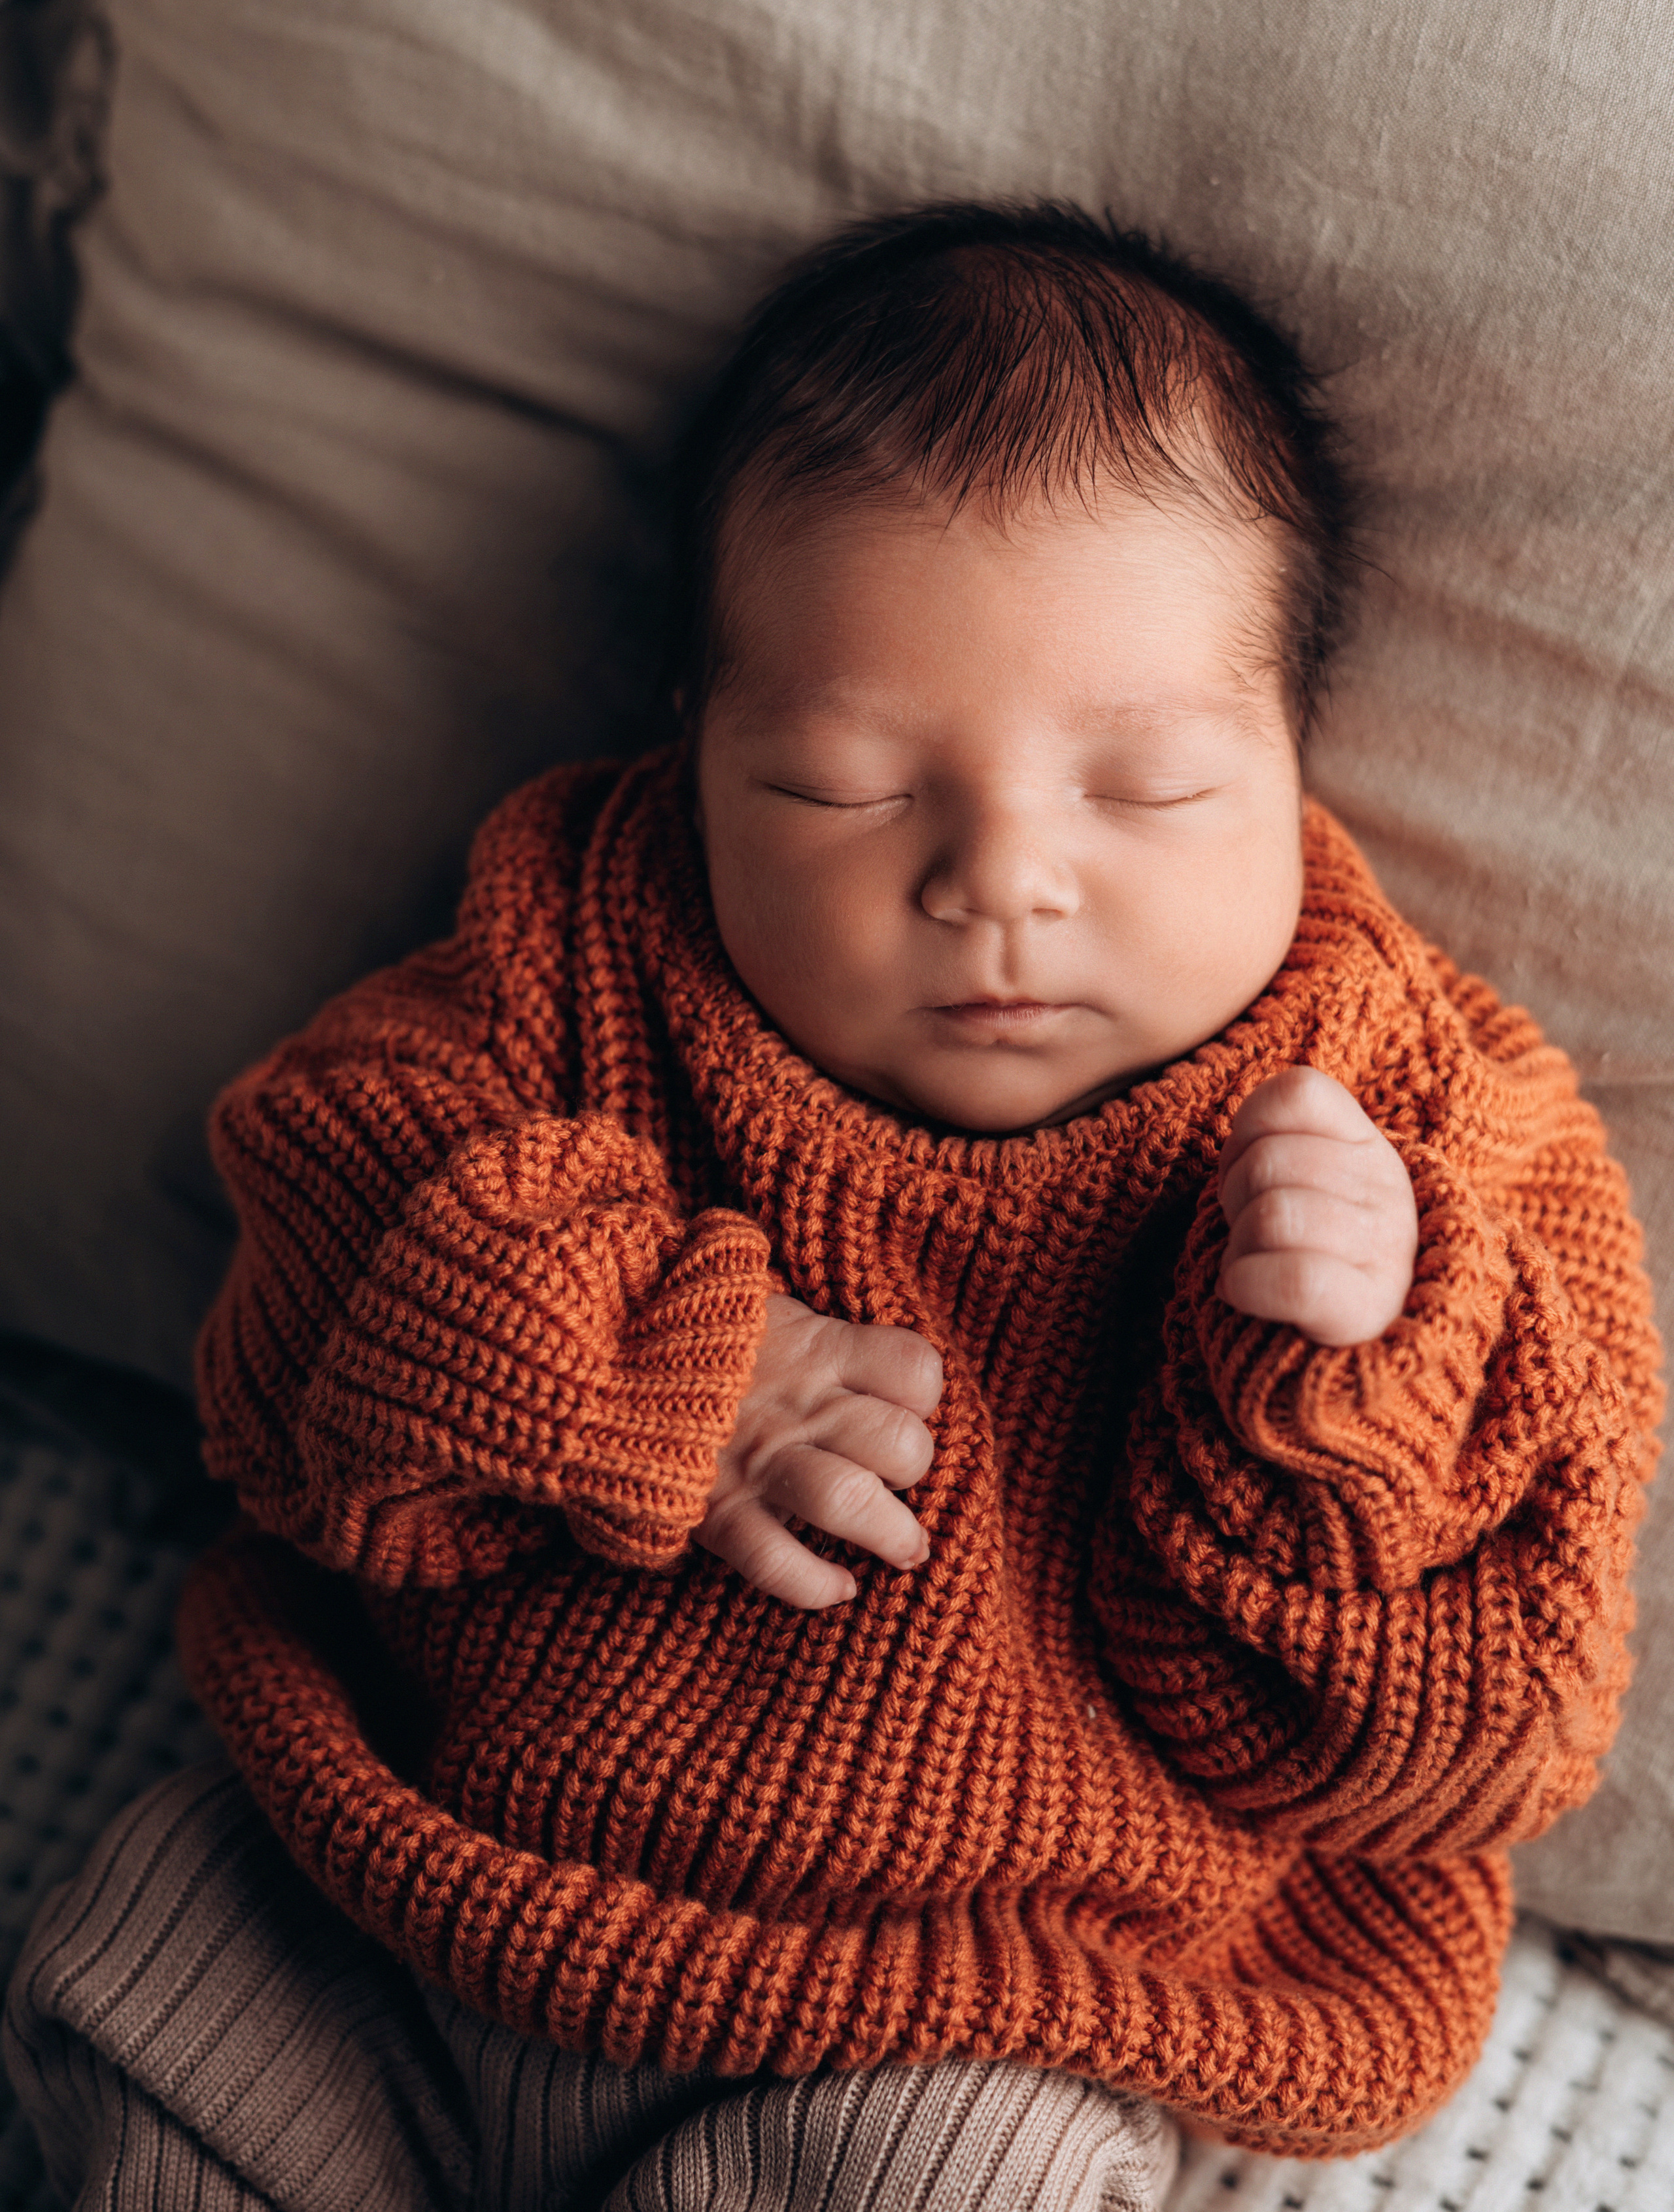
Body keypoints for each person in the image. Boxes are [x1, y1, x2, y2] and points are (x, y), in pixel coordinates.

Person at [7, 203, 1662, 2210]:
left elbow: (1489, 1738)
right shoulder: (577, 952)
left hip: (949, 2025)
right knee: (151, 1963)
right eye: (844, 787)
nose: (999, 881)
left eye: (1144, 789)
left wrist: (1352, 1386)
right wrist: (639, 1361)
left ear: (1296, 764)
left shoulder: (1426, 1138)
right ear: (694, 747)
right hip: (400, 1893)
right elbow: (302, 1298)